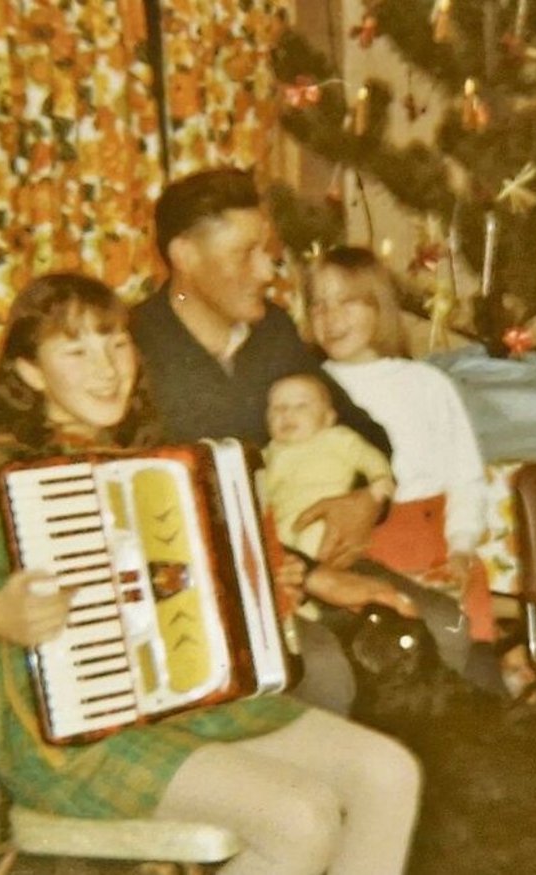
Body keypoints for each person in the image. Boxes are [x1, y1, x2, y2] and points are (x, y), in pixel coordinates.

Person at [0, 274, 421, 875]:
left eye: (116, 345)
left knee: (389, 773)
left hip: (186, 710)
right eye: (76, 350)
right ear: (31, 372)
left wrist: (260, 594)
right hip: (63, 745)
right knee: (300, 815)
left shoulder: (148, 466)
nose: (107, 368)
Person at [130, 167, 399, 713]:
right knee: (322, 669)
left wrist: (368, 499)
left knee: (441, 625)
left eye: (267, 251)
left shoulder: (272, 332)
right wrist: (315, 574)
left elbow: (364, 431)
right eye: (246, 254)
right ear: (185, 256)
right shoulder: (134, 351)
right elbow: (179, 516)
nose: (268, 269)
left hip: (309, 562)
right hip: (214, 586)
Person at [307, 245, 505, 693]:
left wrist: (460, 543)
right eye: (318, 303)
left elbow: (466, 476)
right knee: (395, 675)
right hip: (356, 549)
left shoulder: (426, 383)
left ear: (380, 307)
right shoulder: (311, 386)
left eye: (346, 301)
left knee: (473, 674)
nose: (329, 316)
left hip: (431, 541)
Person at [261, 373, 395, 561]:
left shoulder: (337, 439)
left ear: (328, 418)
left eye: (301, 406)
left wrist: (380, 481)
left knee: (313, 540)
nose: (287, 414)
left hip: (324, 519)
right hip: (282, 525)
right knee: (273, 552)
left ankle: (311, 573)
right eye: (278, 408)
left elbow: (369, 457)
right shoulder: (269, 452)